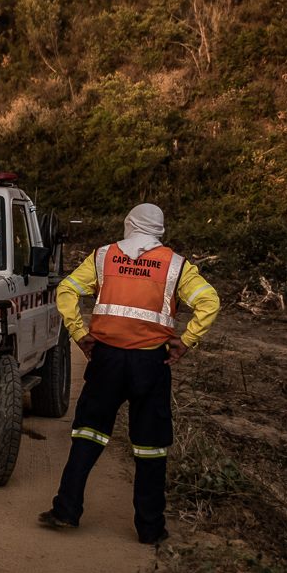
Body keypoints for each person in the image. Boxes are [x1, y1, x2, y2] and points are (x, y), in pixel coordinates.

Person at [37, 203, 220, 544]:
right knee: (151, 447)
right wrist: (187, 341)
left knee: (88, 434)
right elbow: (209, 301)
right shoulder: (176, 265)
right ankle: (150, 529)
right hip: (152, 363)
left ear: (129, 224)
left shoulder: (104, 256)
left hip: (106, 360)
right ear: (160, 229)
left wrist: (79, 333)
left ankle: (66, 510)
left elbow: (66, 290)